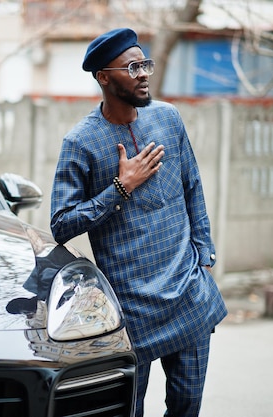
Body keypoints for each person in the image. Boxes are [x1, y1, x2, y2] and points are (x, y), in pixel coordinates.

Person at [50, 28, 227, 417]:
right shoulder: (80, 143)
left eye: (144, 63)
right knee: (129, 411)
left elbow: (192, 185)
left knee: (187, 406)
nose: (144, 73)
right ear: (104, 77)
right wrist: (120, 186)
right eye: (133, 67)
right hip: (132, 310)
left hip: (188, 291)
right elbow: (60, 224)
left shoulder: (168, 118)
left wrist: (204, 255)